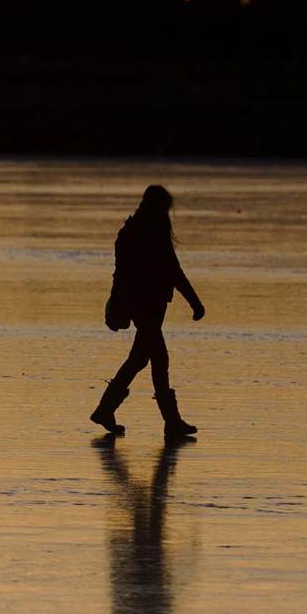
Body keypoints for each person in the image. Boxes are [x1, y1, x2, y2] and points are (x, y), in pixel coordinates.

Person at [91, 185, 206, 439]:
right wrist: (195, 303)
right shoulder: (148, 233)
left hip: (146, 306)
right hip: (145, 308)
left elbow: (165, 271)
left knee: (139, 359)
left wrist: (195, 302)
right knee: (159, 359)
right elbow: (173, 272)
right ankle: (171, 421)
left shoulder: (131, 232)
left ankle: (105, 409)